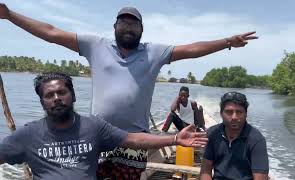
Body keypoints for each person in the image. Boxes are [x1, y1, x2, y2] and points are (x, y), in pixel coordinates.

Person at [0, 3, 258, 179]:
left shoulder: (154, 52)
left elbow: (191, 49)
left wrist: (227, 43)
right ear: (114, 27)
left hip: (135, 141)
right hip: (94, 138)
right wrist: (11, 15)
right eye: (123, 23)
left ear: (141, 30)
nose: (128, 27)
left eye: (134, 24)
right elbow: (52, 33)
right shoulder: (95, 45)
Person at [0, 72, 207, 180]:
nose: (56, 98)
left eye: (61, 92)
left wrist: (174, 139)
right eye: (49, 95)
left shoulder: (92, 126)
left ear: (72, 95)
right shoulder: (29, 134)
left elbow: (133, 139)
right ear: (42, 102)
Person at [200, 92, 269, 180]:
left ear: (246, 114)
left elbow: (261, 178)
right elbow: (205, 171)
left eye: (239, 112)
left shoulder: (256, 140)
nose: (234, 117)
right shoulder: (212, 133)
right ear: (221, 113)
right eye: (229, 112)